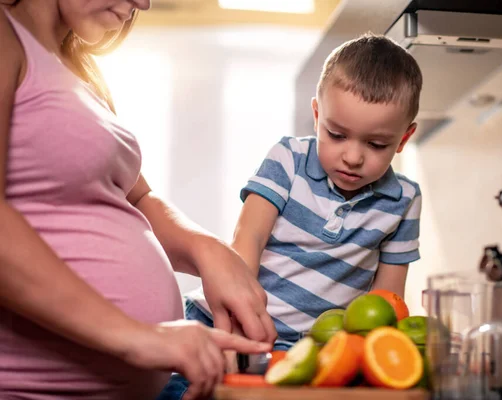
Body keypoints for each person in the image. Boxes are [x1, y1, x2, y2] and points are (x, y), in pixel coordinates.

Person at [0, 1, 277, 399]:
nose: (144, 3)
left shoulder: (78, 69)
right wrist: (140, 337)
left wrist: (207, 250)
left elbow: (137, 196)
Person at [160, 32, 423, 398]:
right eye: (336, 134)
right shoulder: (288, 159)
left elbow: (386, 302)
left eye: (376, 144)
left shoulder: (404, 200)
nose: (352, 156)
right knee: (174, 389)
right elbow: (246, 242)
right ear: (317, 115)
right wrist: (235, 327)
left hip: (302, 350)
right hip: (224, 320)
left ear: (404, 139)